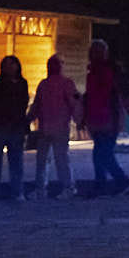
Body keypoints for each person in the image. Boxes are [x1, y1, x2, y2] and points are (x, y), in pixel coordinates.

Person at [80, 40, 129, 195]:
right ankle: (101, 185)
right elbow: (90, 96)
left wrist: (128, 108)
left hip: (110, 118)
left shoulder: (113, 70)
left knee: (105, 153)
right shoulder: (92, 73)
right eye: (95, 51)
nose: (97, 54)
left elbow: (122, 91)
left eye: (100, 51)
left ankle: (123, 181)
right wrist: (84, 116)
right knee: (98, 155)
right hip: (96, 118)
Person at [28, 54, 81, 199]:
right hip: (52, 126)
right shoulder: (58, 84)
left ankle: (56, 188)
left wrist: (29, 118)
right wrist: (79, 120)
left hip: (53, 127)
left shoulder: (53, 84)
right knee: (53, 159)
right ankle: (60, 188)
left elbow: (73, 103)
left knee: (53, 159)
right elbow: (74, 104)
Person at [0, 56, 30, 201]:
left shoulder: (22, 83)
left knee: (16, 161)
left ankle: (17, 190)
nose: (10, 68)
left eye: (12, 64)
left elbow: (23, 104)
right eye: (7, 65)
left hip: (16, 127)